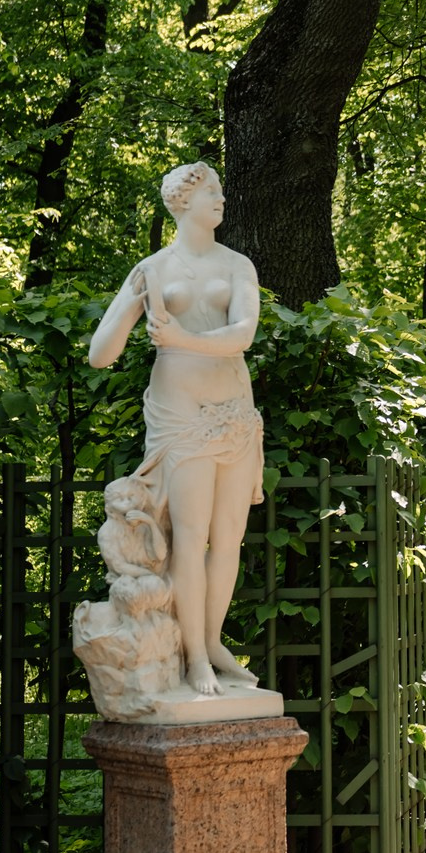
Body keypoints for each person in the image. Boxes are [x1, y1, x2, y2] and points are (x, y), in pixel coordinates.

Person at [88, 160, 264, 696]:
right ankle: (193, 661)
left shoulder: (238, 265)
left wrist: (180, 338)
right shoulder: (153, 269)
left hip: (234, 410)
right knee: (188, 538)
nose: (222, 198)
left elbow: (243, 335)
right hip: (181, 415)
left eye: (220, 189)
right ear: (183, 201)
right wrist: (132, 307)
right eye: (213, 190)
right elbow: (101, 354)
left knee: (229, 538)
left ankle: (210, 641)